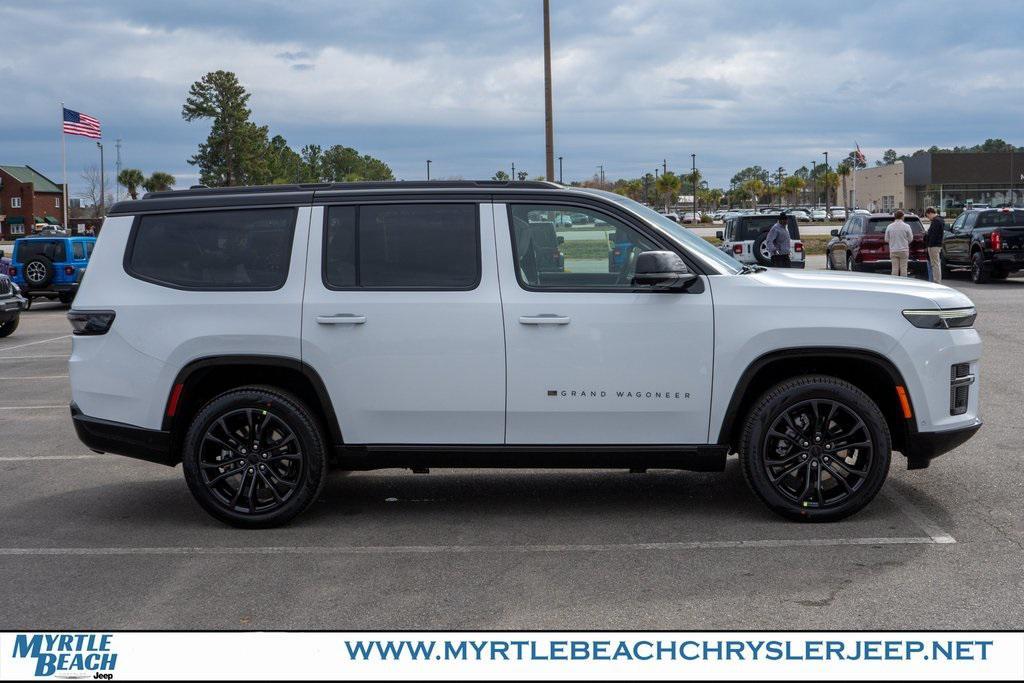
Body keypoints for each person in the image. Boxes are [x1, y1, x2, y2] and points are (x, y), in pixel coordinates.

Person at [884, 209, 913, 277]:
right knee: (903, 269)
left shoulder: (889, 226)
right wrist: (905, 242)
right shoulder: (907, 226)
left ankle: (894, 284)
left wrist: (892, 242)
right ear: (902, 216)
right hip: (904, 250)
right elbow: (911, 238)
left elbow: (886, 239)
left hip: (893, 250)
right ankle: (903, 284)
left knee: (894, 269)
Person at [924, 206, 945, 283]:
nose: (928, 218)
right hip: (938, 245)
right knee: (936, 264)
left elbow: (933, 234)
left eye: (927, 215)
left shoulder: (936, 221)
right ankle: (937, 280)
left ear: (930, 213)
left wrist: (929, 244)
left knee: (935, 264)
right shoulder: (940, 220)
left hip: (933, 245)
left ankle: (936, 281)